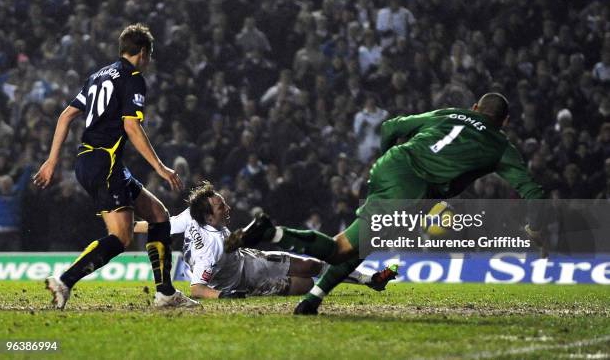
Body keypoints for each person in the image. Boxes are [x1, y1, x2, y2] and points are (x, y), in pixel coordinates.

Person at [226, 93, 545, 315]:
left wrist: (386, 162)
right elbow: (531, 189)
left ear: (475, 107)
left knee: (366, 241)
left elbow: (390, 127)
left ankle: (313, 299)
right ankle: (272, 232)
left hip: (393, 164)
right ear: (504, 122)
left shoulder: (450, 113)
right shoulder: (502, 146)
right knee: (340, 248)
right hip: (413, 186)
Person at [33, 24, 197, 309]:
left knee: (159, 214)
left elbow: (65, 116)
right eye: (149, 56)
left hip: (92, 161)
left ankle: (166, 293)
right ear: (143, 53)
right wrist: (160, 167)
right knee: (121, 237)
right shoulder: (133, 78)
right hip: (105, 162)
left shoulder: (98, 75)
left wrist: (51, 161)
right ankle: (64, 281)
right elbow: (131, 126)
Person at [133, 181, 398, 298]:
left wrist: (127, 228)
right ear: (209, 218)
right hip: (247, 281)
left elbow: (159, 225)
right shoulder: (210, 249)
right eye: (221, 207)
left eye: (224, 203)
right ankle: (361, 281)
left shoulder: (190, 218)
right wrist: (223, 297)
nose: (228, 209)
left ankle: (369, 280)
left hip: (248, 260)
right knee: (304, 284)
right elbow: (196, 289)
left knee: (311, 266)